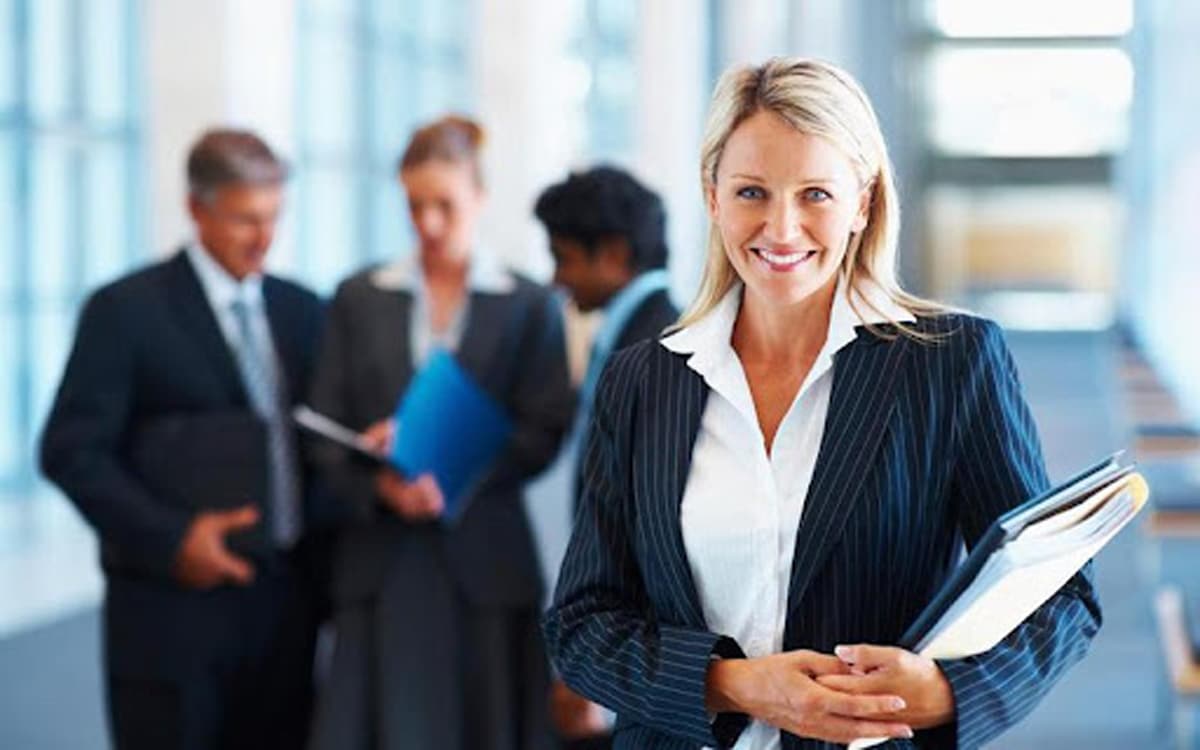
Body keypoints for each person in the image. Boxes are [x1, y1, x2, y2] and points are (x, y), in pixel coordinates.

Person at [542, 58, 1102, 749]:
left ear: (863, 202)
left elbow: (1062, 597)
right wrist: (735, 684)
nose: (782, 229)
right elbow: (581, 624)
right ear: (711, 194)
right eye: (752, 192)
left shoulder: (950, 364)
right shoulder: (641, 383)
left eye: (815, 194)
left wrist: (949, 692)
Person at [40, 129, 335, 749]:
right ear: (196, 209)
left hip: (284, 608)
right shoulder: (125, 311)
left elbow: (320, 440)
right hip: (171, 615)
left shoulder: (302, 311)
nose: (263, 239)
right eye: (243, 220)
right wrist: (173, 540)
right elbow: (70, 450)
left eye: (273, 218)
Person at [306, 114, 574, 750]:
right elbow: (323, 425)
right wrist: (380, 482)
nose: (427, 223)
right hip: (383, 559)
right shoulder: (359, 296)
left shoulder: (528, 303)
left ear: (479, 198)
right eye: (414, 205)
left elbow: (546, 424)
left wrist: (459, 468)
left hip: (484, 560)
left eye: (444, 206)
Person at [533, 165, 680, 748]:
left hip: (632, 647)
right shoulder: (627, 339)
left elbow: (649, 527)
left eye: (564, 257)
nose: (556, 278)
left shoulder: (656, 351)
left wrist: (600, 672)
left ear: (615, 254)